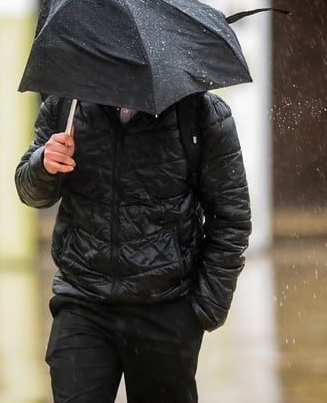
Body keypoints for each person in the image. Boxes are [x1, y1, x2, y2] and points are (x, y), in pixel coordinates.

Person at [14, 92, 251, 402]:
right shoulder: (67, 103)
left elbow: (231, 219)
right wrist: (43, 164)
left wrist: (204, 310)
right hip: (83, 305)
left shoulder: (201, 114)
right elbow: (31, 192)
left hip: (165, 311)